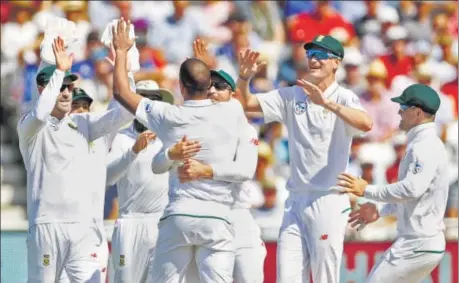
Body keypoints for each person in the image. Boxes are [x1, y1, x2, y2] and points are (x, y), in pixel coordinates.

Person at [111, 18, 254, 283]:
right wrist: (206, 69)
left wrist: (121, 51)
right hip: (218, 218)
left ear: (181, 86)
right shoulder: (232, 110)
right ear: (209, 84)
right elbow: (227, 99)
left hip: (179, 216)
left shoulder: (169, 116)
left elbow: (121, 92)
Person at [236, 35, 373, 283]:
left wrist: (327, 103)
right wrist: (244, 78)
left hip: (329, 200)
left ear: (336, 63)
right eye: (310, 54)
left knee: (324, 278)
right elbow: (245, 103)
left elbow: (366, 123)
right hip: (296, 200)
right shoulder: (291, 95)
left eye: (321, 55)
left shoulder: (343, 97)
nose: (313, 60)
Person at [17, 37, 132, 283]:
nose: (66, 92)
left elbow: (123, 113)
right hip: (47, 226)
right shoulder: (30, 127)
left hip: (84, 230)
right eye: (61, 87)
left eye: (70, 87)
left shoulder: (84, 123)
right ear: (43, 89)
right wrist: (59, 70)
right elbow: (41, 111)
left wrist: (123, 65)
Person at [152, 69, 266, 283]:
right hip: (203, 217)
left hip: (237, 216)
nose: (212, 90)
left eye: (220, 87)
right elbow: (158, 164)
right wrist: (170, 154)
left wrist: (206, 170)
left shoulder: (245, 129)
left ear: (233, 95)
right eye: (209, 85)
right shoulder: (190, 121)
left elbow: (245, 171)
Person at [339, 84, 449, 283]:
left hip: (417, 243)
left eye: (404, 108)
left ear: (417, 113)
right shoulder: (422, 143)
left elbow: (411, 189)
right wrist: (380, 210)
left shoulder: (425, 145)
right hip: (421, 243)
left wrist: (366, 190)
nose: (399, 111)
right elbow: (412, 196)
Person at [106, 80, 179, 283]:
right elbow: (108, 177)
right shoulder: (123, 138)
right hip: (130, 222)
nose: (147, 106)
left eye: (153, 100)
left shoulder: (169, 138)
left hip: (162, 223)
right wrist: (133, 151)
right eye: (142, 99)